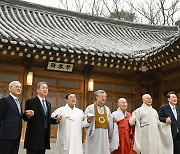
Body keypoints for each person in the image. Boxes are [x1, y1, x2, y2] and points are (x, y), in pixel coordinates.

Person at [23, 81, 57, 154]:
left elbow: (46, 119)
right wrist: (28, 115)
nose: (45, 90)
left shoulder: (48, 104)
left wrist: (57, 120)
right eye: (43, 88)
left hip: (44, 137)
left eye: (47, 88)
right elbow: (25, 116)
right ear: (37, 90)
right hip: (33, 137)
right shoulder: (31, 102)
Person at [84, 90, 113, 154]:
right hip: (94, 133)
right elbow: (84, 120)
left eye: (105, 97)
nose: (104, 98)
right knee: (94, 150)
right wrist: (88, 120)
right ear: (97, 97)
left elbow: (110, 123)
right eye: (102, 96)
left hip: (104, 134)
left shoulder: (107, 109)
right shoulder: (90, 108)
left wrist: (110, 134)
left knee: (104, 150)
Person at [0, 81, 22, 154]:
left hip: (16, 135)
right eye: (17, 87)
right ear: (10, 88)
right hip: (5, 136)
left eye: (20, 87)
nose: (19, 88)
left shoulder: (19, 102)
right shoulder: (5, 100)